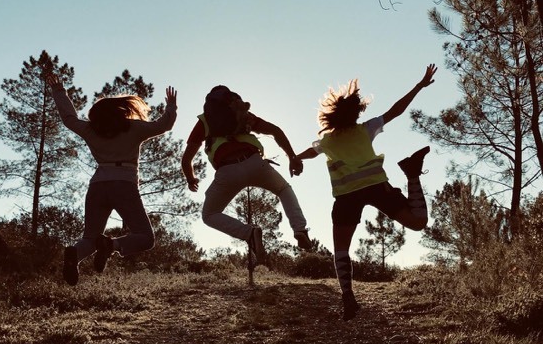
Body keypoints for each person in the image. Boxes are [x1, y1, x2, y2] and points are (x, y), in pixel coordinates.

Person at [296, 64, 437, 320]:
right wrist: (418, 86)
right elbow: (395, 111)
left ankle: (348, 297)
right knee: (418, 222)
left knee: (341, 249)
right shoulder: (365, 129)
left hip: (347, 197)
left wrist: (295, 159)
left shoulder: (328, 140)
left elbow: (310, 152)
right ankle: (412, 173)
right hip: (375, 187)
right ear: (356, 113)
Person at [46, 73, 177, 285]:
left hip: (98, 184)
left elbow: (69, 119)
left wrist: (59, 92)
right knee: (145, 237)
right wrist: (171, 106)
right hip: (123, 184)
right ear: (120, 111)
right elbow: (163, 125)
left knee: (90, 238)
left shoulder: (91, 130)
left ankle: (74, 255)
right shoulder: (133, 128)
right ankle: (111, 245)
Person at [181, 85, 312, 264]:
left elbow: (186, 159)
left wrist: (191, 178)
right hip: (255, 162)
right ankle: (300, 229)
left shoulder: (205, 120)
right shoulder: (243, 115)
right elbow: (276, 131)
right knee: (283, 189)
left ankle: (249, 233)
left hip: (227, 170)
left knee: (209, 214)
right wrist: (292, 157)